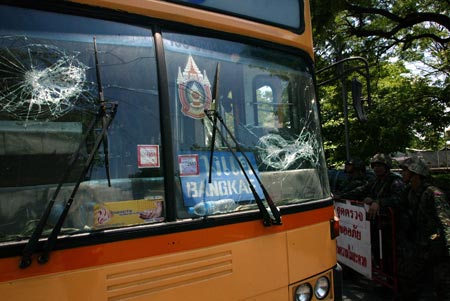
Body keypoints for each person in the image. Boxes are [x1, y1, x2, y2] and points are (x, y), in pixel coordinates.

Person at [396, 156, 450, 300]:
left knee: (443, 285)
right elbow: (397, 205)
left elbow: (445, 221)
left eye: (405, 171)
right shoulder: (409, 191)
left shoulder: (433, 193)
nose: (402, 174)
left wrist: (447, 248)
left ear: (415, 172)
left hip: (436, 244)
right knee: (409, 279)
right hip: (420, 243)